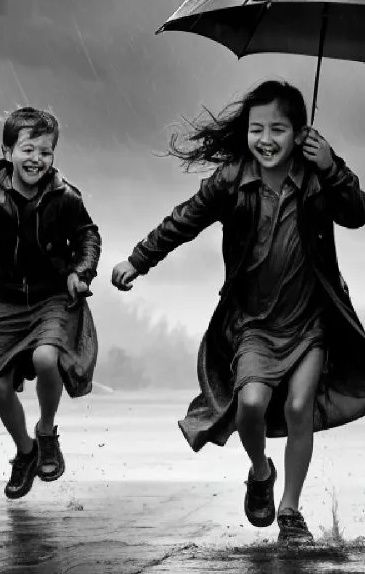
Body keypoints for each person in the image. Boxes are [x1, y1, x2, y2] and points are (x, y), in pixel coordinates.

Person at [111, 79, 365, 545]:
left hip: (309, 321)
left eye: (278, 129)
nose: (266, 139)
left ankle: (290, 511)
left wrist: (332, 167)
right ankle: (260, 469)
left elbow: (357, 212)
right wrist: (138, 259)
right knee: (250, 405)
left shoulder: (316, 177)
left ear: (300, 133)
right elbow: (183, 220)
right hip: (252, 325)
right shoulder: (233, 179)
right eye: (256, 129)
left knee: (297, 406)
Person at [0, 107, 101, 499]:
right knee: (0, 386)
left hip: (53, 297)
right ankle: (26, 451)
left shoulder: (64, 196)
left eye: (46, 151)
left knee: (45, 358)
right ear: (8, 151)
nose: (37, 159)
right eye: (28, 149)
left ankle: (46, 430)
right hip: (6, 300)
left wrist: (81, 272)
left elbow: (88, 236)